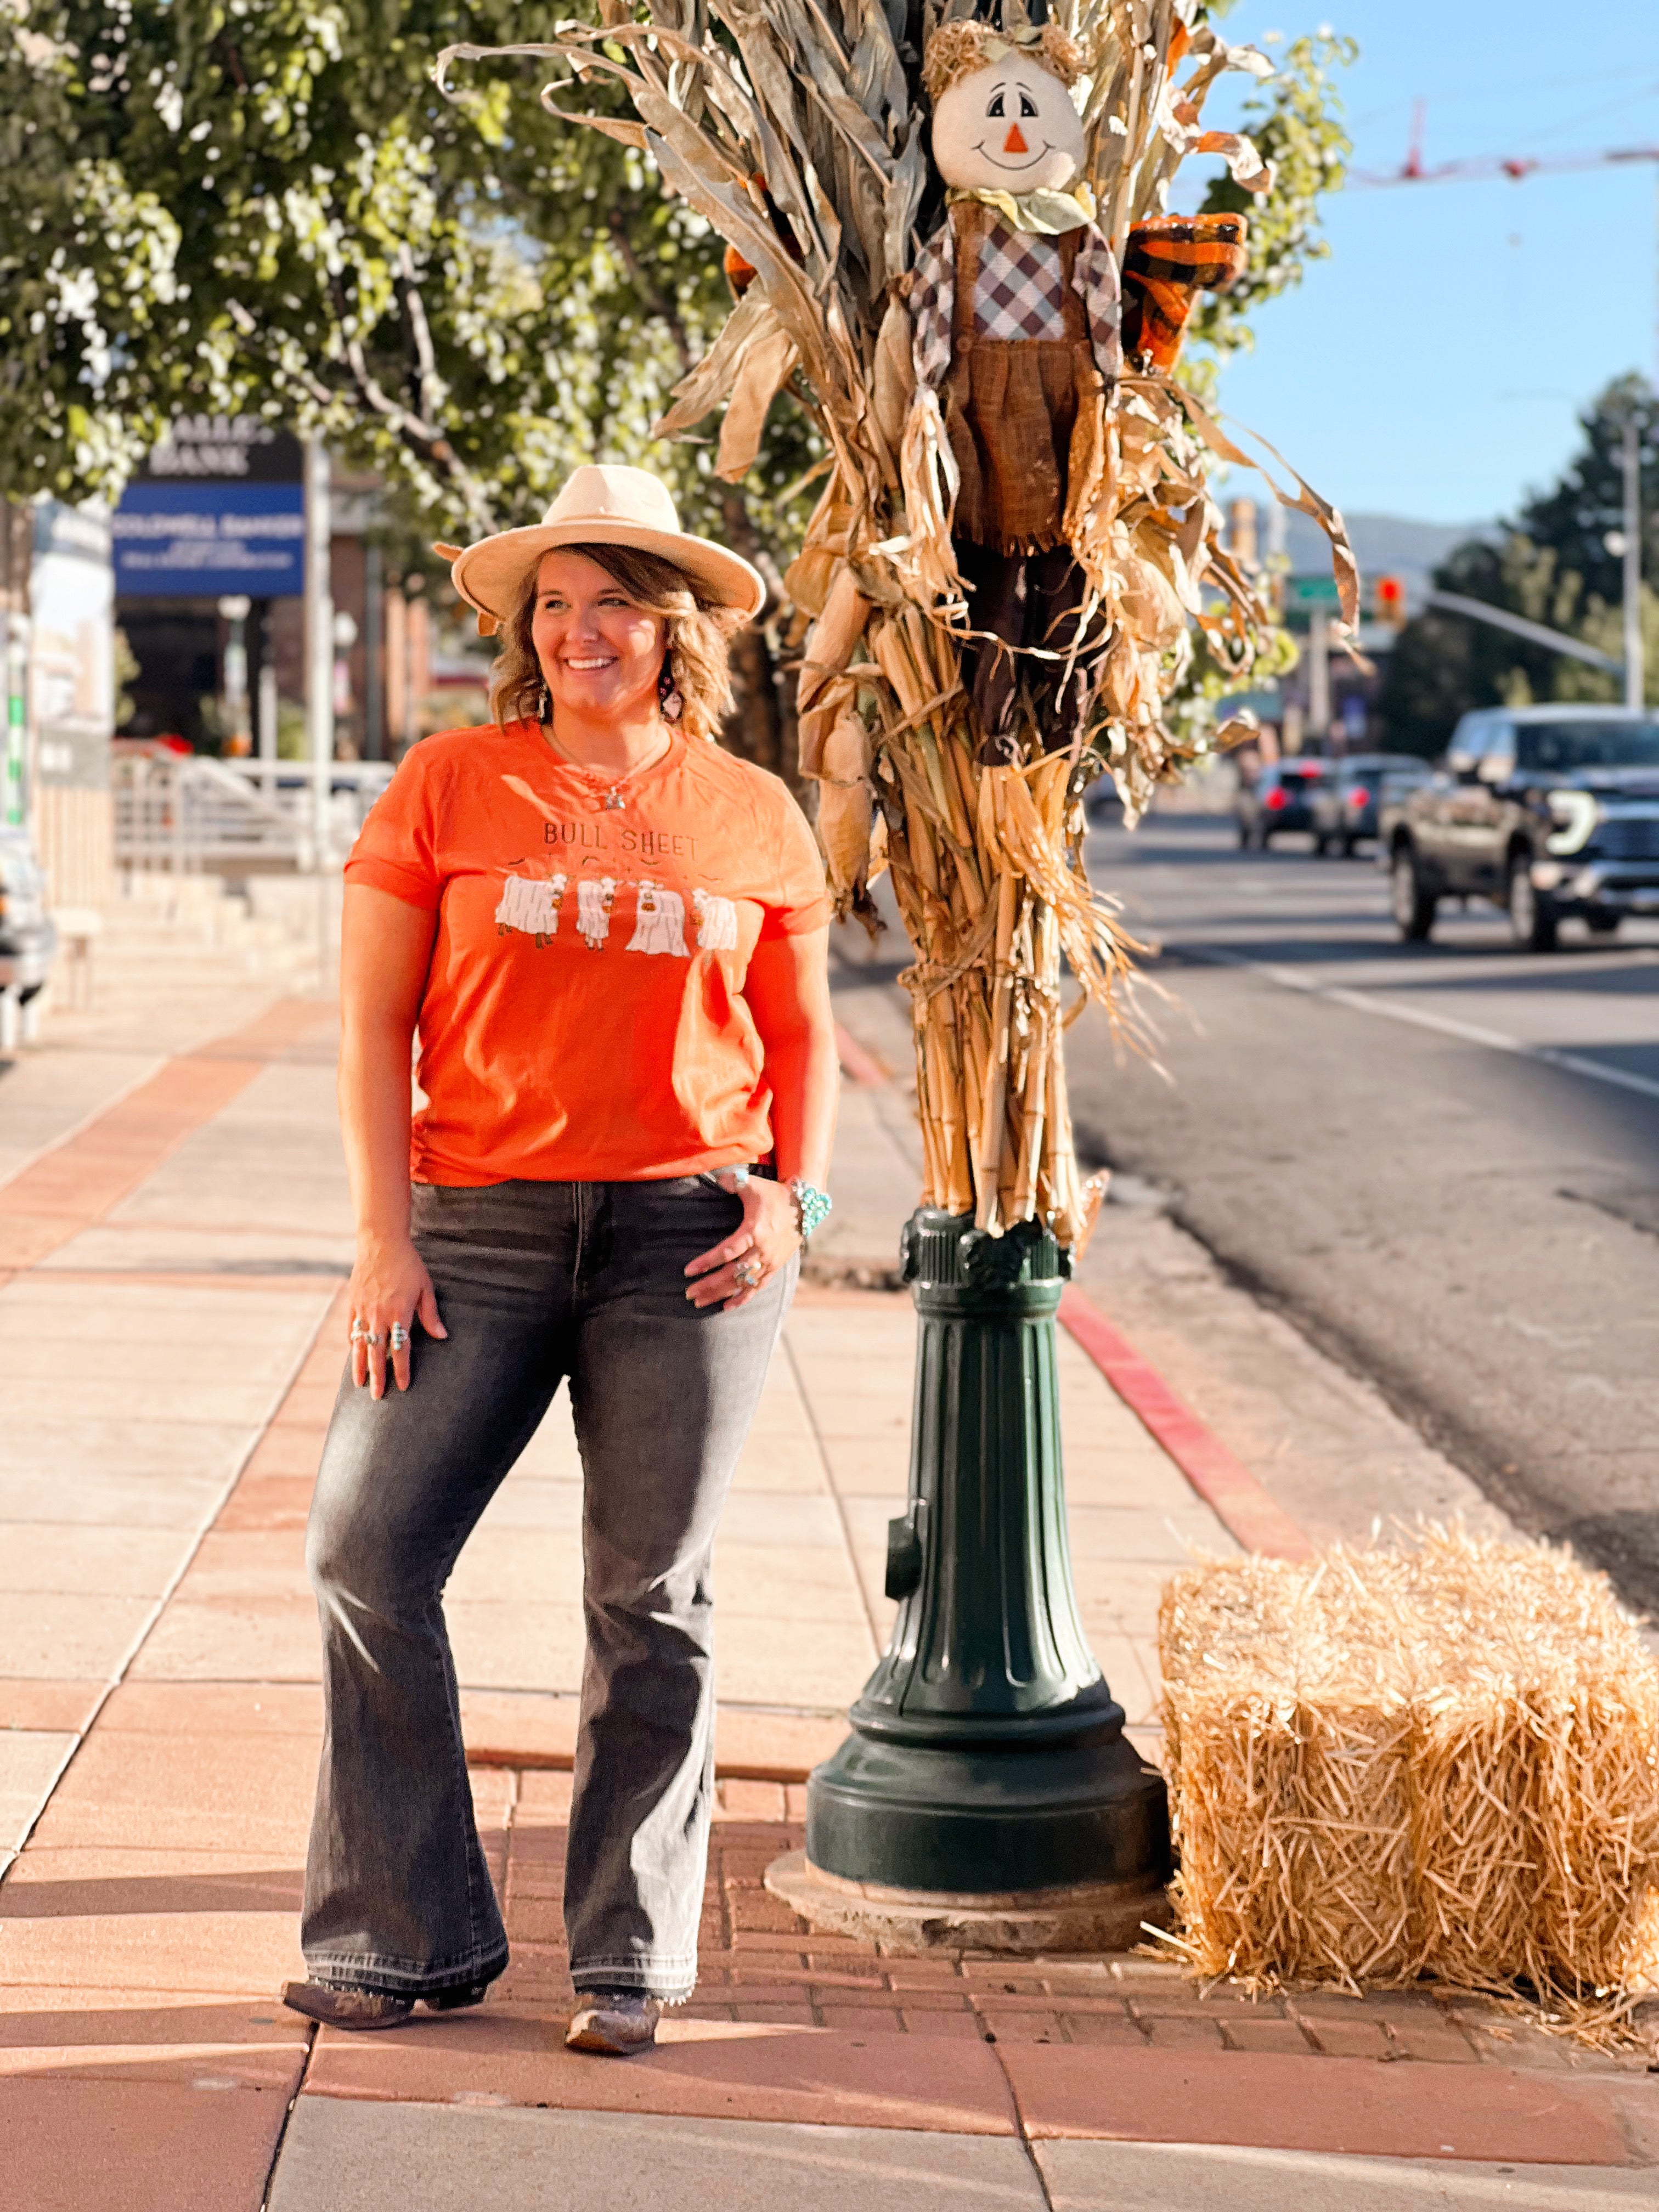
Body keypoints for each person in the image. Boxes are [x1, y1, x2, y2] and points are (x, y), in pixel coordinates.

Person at [280, 465, 838, 2056]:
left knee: (649, 1597)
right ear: (529, 629)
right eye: (554, 604)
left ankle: (628, 1962)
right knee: (365, 1549)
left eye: (612, 602)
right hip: (477, 1229)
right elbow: (370, 1023)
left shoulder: (750, 811)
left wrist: (795, 1198)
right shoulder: (454, 782)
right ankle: (405, 1938)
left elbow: (800, 1036)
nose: (580, 630)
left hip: (692, 1237)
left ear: (670, 629)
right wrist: (383, 1237)